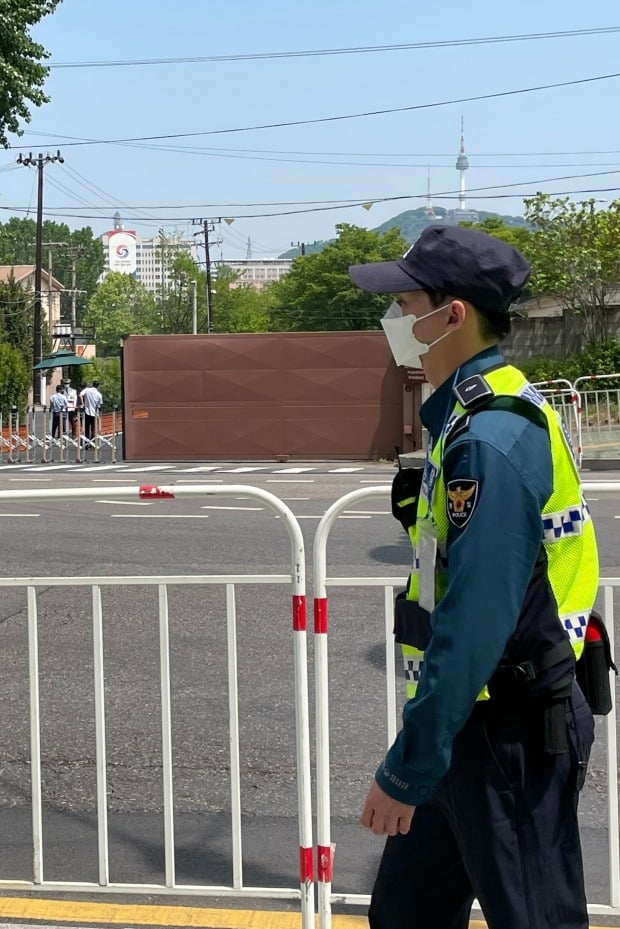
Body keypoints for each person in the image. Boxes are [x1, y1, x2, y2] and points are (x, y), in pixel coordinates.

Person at [348, 225, 599, 929]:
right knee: (406, 914)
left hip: (507, 731)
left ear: (450, 314)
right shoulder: (468, 414)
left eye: (404, 302)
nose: (394, 318)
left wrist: (407, 766)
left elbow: (475, 622)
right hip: (471, 725)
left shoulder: (488, 436)